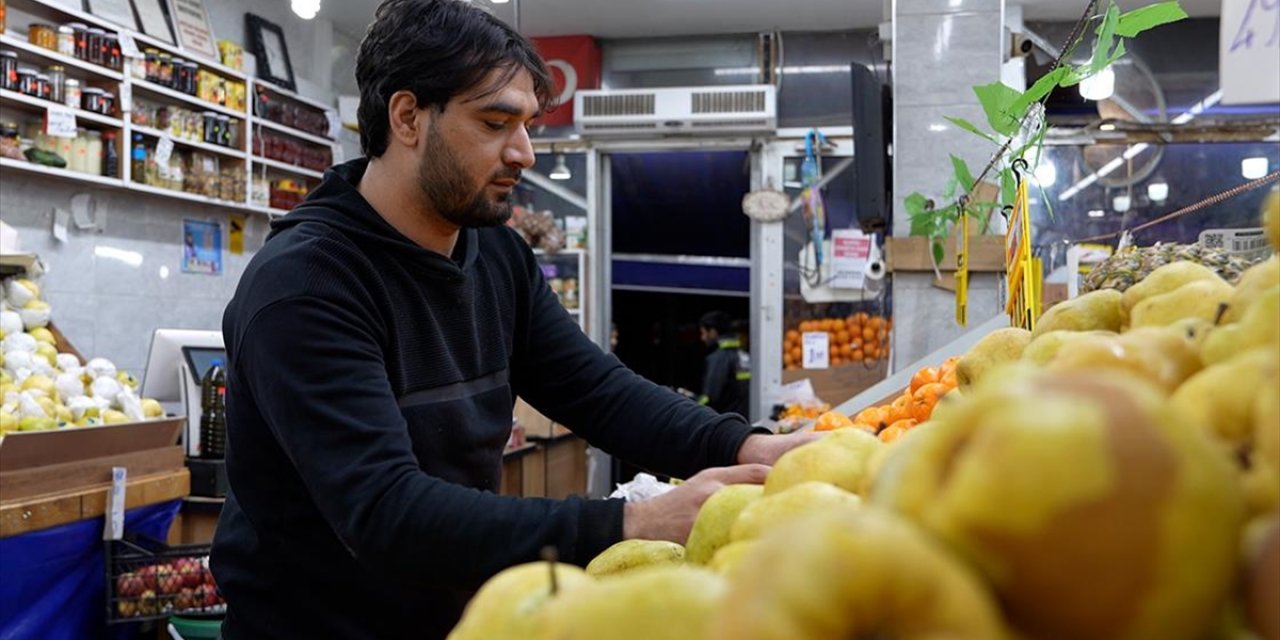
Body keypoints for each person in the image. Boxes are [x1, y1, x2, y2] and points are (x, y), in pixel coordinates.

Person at [210, 2, 816, 638]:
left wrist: (749, 446)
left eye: (527, 124)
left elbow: (598, 392)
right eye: (496, 122)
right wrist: (635, 523)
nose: (524, 152)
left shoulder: (496, 253)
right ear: (408, 117)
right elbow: (386, 512)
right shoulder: (308, 285)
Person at [698, 311, 751, 416]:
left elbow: (710, 397)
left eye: (703, 333)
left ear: (713, 332)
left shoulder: (718, 359)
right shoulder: (744, 356)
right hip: (744, 421)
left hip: (725, 423)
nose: (702, 338)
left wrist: (692, 404)